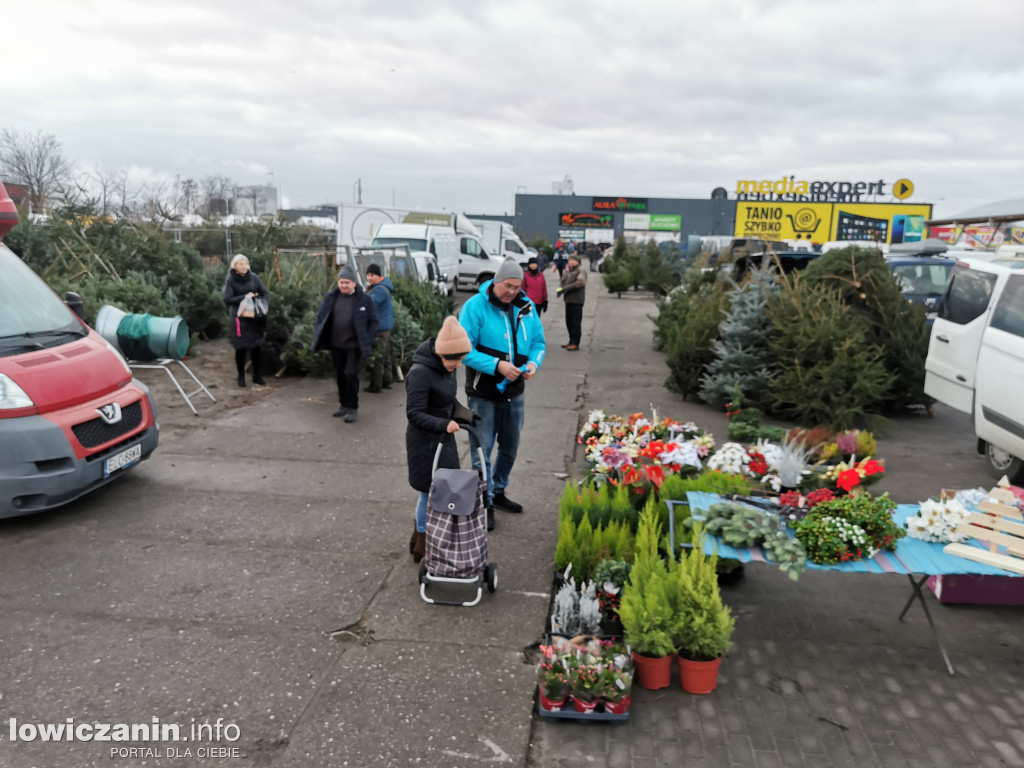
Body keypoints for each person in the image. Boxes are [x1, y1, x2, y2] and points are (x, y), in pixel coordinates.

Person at [459, 257, 545, 520]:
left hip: (515, 392)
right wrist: (497, 365)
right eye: (507, 286)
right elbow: (463, 350)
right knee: (481, 450)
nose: (512, 292)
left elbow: (538, 343)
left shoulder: (526, 306)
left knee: (510, 446)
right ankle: (483, 503)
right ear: (496, 282)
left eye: (517, 287)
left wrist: (532, 364)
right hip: (482, 393)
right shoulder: (474, 307)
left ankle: (498, 489)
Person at [405, 316, 473, 559]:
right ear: (441, 354)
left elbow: (447, 400)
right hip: (424, 440)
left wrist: (466, 415)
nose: (457, 366)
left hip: (443, 437)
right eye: (453, 361)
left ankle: (434, 534)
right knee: (429, 491)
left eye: (460, 360)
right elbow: (413, 413)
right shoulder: (420, 373)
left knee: (445, 487)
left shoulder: (447, 368)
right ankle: (422, 541)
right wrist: (443, 424)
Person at [310, 264, 378, 423]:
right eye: (341, 282)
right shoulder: (331, 297)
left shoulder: (364, 300)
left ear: (354, 283)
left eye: (347, 282)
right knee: (340, 375)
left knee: (350, 373)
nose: (344, 285)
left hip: (354, 345)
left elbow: (373, 321)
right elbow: (321, 317)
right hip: (336, 344)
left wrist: (369, 339)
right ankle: (343, 405)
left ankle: (353, 407)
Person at [222, 253, 269, 387]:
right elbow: (227, 299)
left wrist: (261, 304)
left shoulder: (254, 278)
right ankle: (241, 377)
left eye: (246, 264)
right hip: (240, 320)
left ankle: (257, 376)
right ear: (235, 266)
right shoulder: (231, 280)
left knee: (256, 347)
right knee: (241, 348)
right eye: (241, 264)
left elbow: (264, 292)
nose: (244, 266)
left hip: (254, 318)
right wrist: (244, 297)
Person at [364, 264, 394, 393]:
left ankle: (376, 385)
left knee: (378, 357)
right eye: (368, 275)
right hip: (385, 326)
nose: (370, 278)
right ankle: (387, 380)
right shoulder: (377, 287)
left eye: (372, 275)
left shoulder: (380, 290)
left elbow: (370, 303)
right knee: (385, 354)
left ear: (379, 276)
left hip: (380, 327)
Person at [558, 252, 587, 351]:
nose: (570, 262)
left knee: (576, 322)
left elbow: (580, 283)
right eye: (569, 260)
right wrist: (561, 288)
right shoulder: (568, 271)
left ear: (577, 261)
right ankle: (571, 341)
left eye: (572, 260)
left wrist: (566, 288)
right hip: (568, 300)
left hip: (576, 300)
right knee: (569, 322)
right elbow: (562, 281)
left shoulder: (580, 271)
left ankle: (576, 342)